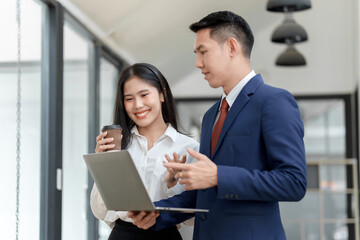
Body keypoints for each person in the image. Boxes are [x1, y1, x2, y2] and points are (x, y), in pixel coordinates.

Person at [128, 11, 307, 240]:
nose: (198, 63)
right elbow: (206, 193)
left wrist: (219, 176)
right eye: (196, 54)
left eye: (203, 52)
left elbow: (294, 182)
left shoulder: (274, 102)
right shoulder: (211, 115)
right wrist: (156, 212)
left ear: (232, 47)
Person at [90, 63, 199, 240]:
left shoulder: (189, 148)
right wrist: (102, 166)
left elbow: (192, 219)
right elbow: (100, 211)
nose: (138, 105)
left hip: (165, 235)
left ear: (162, 94)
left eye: (144, 95)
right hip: (122, 234)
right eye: (129, 98)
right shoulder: (117, 146)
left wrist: (173, 185)